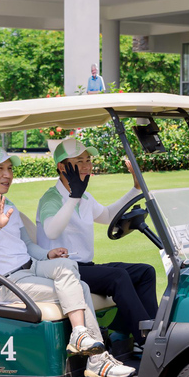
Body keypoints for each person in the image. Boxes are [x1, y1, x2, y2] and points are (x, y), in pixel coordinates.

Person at [0, 145, 135, 377]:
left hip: (31, 268)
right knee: (81, 288)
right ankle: (97, 360)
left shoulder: (9, 206)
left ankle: (81, 336)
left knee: (69, 266)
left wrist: (47, 255)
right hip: (6, 283)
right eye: (0, 169)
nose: (7, 174)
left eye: (9, 168)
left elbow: (27, 245)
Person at [36, 138, 158, 355]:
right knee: (118, 277)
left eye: (88, 159)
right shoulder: (51, 198)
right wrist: (74, 196)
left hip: (85, 267)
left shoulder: (84, 196)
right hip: (63, 271)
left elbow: (108, 215)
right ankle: (148, 341)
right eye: (79, 161)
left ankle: (151, 331)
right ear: (62, 167)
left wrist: (135, 189)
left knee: (144, 272)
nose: (86, 165)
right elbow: (51, 231)